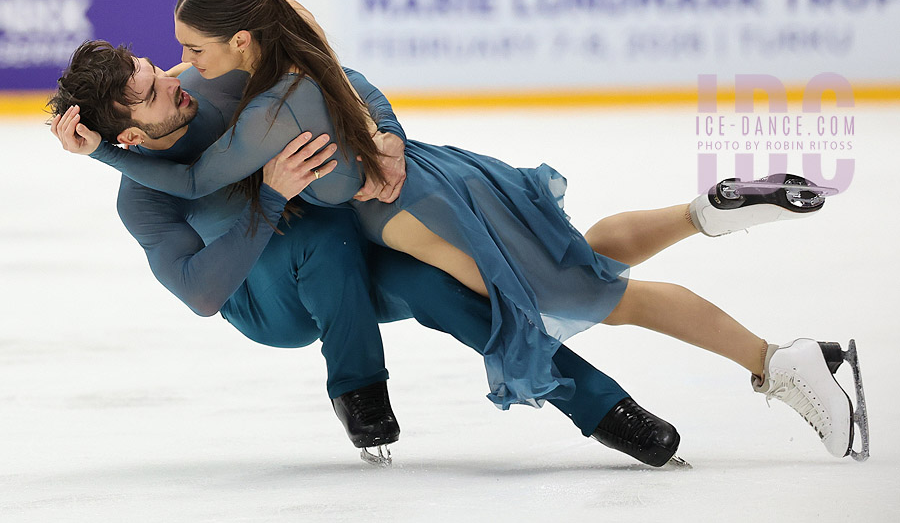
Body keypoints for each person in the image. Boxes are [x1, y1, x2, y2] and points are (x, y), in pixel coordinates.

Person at [53, 0, 866, 461]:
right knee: (580, 265)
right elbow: (339, 90)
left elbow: (197, 186)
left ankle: (780, 359)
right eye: (164, 70)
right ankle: (704, 213)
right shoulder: (292, 64)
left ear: (238, 42)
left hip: (414, 207)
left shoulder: (262, 110)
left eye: (187, 55)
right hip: (436, 186)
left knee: (586, 295)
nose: (178, 69)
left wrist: (103, 153)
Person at [49, 42, 690, 468]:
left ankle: (604, 407)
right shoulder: (142, 201)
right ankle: (357, 385)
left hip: (349, 259)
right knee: (310, 236)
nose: (173, 79)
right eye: (154, 91)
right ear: (129, 137)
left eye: (154, 68)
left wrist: (385, 133)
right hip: (272, 304)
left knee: (443, 287)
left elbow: (335, 79)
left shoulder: (209, 81)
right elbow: (202, 295)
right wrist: (269, 200)